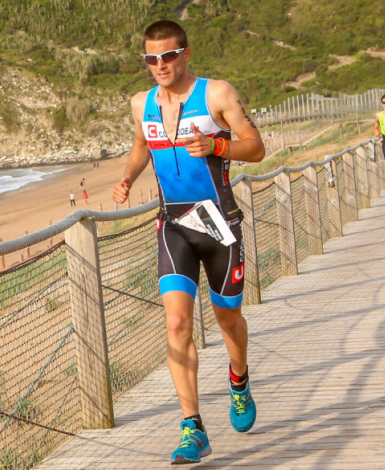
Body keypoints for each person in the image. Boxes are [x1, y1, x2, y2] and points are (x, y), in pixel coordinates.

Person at [111, 19, 265, 465]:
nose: (161, 65)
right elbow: (142, 145)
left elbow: (255, 147)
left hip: (220, 224)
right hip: (173, 224)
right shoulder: (142, 103)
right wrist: (127, 177)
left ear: (186, 54)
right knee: (177, 323)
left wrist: (217, 148)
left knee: (228, 318)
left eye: (169, 56)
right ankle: (192, 428)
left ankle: (239, 381)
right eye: (152, 58)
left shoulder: (216, 93)